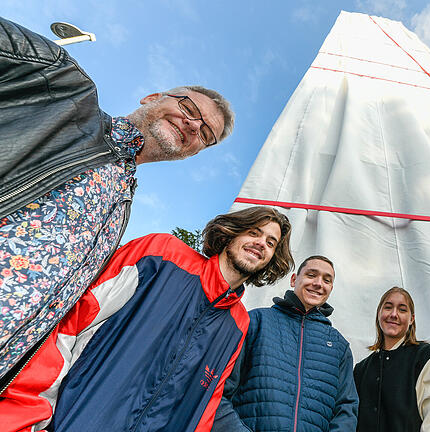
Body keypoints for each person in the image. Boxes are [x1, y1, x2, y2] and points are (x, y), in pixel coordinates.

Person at [0, 17, 236, 383]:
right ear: (152, 97)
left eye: (205, 133)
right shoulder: (65, 90)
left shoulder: (120, 211)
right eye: (190, 109)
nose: (193, 126)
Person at [0, 206, 293, 432]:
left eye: (271, 242)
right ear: (232, 231)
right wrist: (26, 413)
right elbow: (69, 326)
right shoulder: (161, 254)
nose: (261, 244)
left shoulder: (239, 323)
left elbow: (205, 408)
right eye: (254, 232)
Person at [212, 255, 358, 431]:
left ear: (330, 288)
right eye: (311, 275)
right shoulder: (255, 322)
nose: (319, 283)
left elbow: (346, 409)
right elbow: (219, 389)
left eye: (327, 280)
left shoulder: (339, 346)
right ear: (294, 280)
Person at [353, 287, 430, 432]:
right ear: (379, 313)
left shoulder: (425, 358)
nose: (393, 314)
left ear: (411, 319)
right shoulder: (361, 370)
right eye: (388, 307)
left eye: (402, 309)